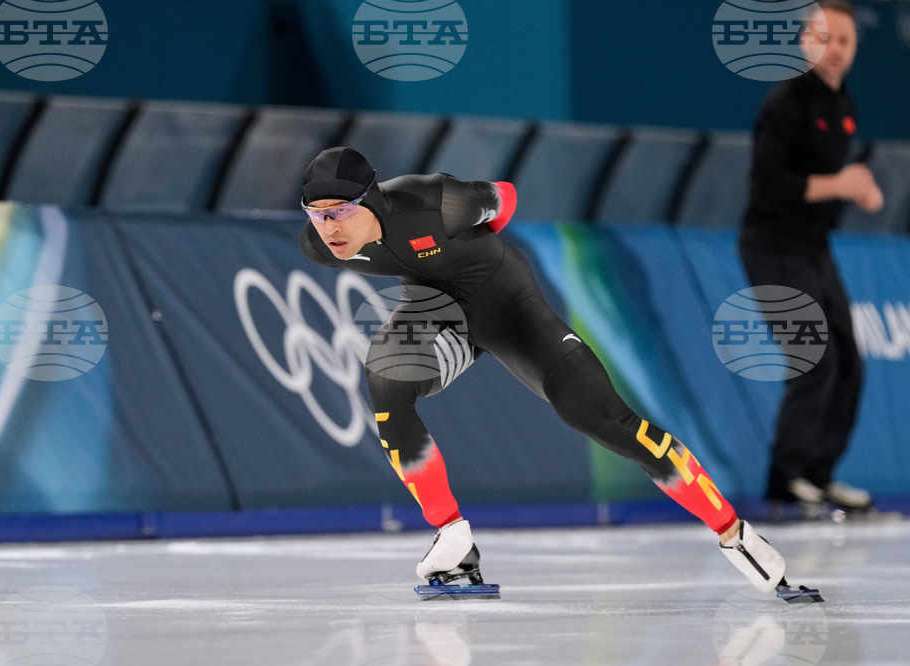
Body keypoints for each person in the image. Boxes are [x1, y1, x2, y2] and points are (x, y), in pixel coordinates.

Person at [299, 146, 804, 600]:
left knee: (603, 418)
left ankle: (734, 533)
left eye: (340, 212)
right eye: (317, 215)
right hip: (436, 310)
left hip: (510, 307)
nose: (330, 227)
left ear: (373, 201)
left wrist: (472, 252)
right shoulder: (319, 244)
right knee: (385, 378)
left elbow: (506, 198)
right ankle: (451, 538)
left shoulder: (434, 203)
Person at [739, 0, 883, 513]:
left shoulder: (845, 107)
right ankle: (787, 477)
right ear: (806, 42)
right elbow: (769, 184)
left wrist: (856, 190)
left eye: (845, 41)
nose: (836, 50)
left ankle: (820, 475)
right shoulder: (785, 104)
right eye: (826, 39)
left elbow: (831, 184)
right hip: (772, 245)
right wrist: (841, 183)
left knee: (849, 363)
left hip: (815, 249)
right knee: (814, 358)